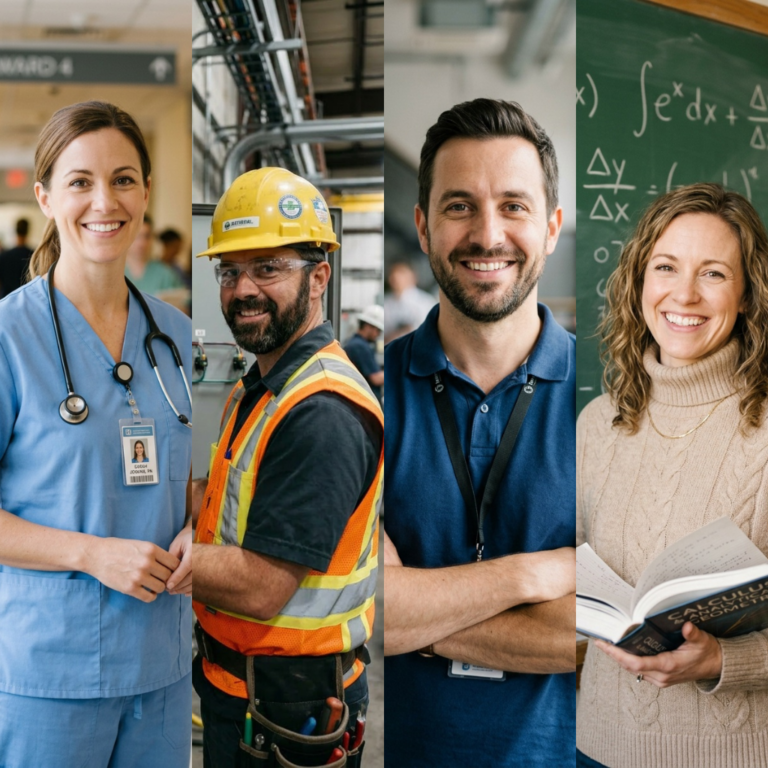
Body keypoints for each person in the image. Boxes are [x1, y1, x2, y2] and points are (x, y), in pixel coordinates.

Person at [384, 98, 577, 767]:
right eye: (460, 205)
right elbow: (363, 606)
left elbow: (606, 630)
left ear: (552, 227)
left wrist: (420, 618)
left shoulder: (615, 399)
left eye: (515, 206)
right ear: (424, 224)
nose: (487, 234)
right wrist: (537, 574)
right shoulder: (364, 391)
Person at [0, 101, 193, 768]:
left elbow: (190, 477)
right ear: (47, 196)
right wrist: (92, 554)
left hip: (163, 675)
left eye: (124, 178)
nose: (103, 200)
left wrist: (203, 528)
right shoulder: (8, 337)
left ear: (144, 194)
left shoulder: (175, 336)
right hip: (49, 679)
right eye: (80, 181)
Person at [191, 167, 383, 768]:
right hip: (244, 688)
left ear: (319, 276)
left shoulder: (320, 410)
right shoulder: (264, 386)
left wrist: (132, 552)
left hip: (288, 710)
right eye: (229, 272)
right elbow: (223, 505)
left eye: (268, 268)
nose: (243, 288)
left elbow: (264, 583)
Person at [576, 183, 768, 768]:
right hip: (595, 746)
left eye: (713, 273)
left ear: (748, 294)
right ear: (640, 282)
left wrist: (722, 662)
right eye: (666, 267)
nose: (683, 294)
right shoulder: (596, 422)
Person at [382, 260, 436, 342]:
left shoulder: (426, 302)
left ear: (413, 276)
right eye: (393, 273)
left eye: (401, 272)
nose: (396, 277)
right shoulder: (385, 302)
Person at [344, 305, 384, 402]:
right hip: (364, 402)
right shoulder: (359, 346)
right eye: (378, 330)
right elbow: (376, 378)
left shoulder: (356, 344)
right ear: (368, 326)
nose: (378, 334)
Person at [0, 218, 34, 298]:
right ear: (27, 231)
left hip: (6, 300)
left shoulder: (3, 256)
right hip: (27, 300)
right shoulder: (34, 256)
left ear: (15, 231)